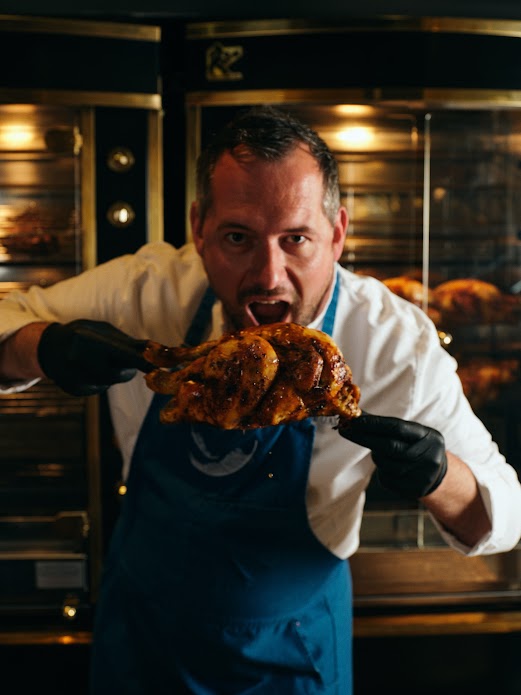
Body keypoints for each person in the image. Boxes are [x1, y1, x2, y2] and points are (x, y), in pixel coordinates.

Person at [0, 106, 520, 695]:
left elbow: (504, 513)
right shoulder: (147, 292)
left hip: (289, 653)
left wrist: (437, 475)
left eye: (296, 239)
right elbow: (8, 317)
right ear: (199, 227)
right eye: (238, 238)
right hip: (142, 635)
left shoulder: (394, 343)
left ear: (338, 234)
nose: (269, 274)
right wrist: (44, 346)